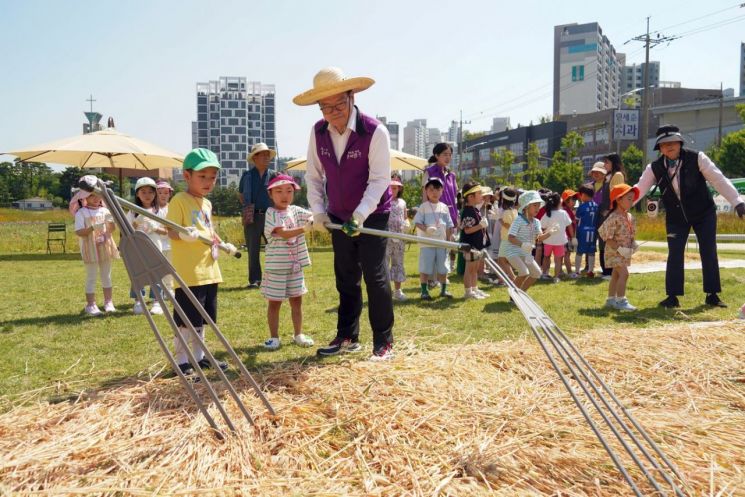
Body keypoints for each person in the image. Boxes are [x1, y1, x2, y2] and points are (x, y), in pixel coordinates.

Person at [295, 66, 395, 361]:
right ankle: (348, 336)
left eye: (339, 104)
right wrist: (318, 212)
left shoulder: (374, 131)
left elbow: (379, 180)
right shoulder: (317, 132)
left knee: (375, 277)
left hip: (372, 213)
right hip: (338, 214)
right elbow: (313, 177)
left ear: (351, 97)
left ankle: (383, 341)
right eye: (326, 107)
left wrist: (361, 215)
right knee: (345, 277)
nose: (333, 111)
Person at [634, 124, 745, 308]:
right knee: (675, 253)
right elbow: (639, 189)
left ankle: (712, 294)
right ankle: (672, 296)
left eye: (673, 142)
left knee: (708, 251)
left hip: (704, 213)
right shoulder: (654, 167)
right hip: (676, 217)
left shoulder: (698, 158)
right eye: (665, 143)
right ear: (660, 148)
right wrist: (619, 206)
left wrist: (738, 202)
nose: (670, 146)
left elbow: (719, 180)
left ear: (680, 142)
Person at [166, 148, 236, 375]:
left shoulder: (206, 204)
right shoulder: (179, 200)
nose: (208, 182)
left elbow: (209, 233)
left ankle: (199, 356)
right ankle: (182, 360)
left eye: (212, 177)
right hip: (189, 272)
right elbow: (171, 231)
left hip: (209, 269)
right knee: (186, 319)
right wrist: (184, 234)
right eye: (202, 176)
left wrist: (224, 244)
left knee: (203, 318)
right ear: (187, 176)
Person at [261, 174, 315, 350]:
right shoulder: (271, 213)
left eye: (289, 191)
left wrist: (315, 219)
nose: (284, 195)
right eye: (279, 191)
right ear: (270, 194)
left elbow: (313, 216)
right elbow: (283, 233)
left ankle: (298, 334)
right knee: (275, 302)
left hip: (295, 266)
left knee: (297, 301)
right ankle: (274, 337)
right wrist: (304, 229)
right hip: (277, 267)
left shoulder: (296, 211)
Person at [72, 184, 118, 316]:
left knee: (106, 275)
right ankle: (90, 304)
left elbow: (111, 229)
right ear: (84, 197)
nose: (96, 198)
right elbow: (79, 232)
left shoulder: (105, 211)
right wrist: (92, 228)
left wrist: (111, 224)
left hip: (104, 245)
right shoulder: (81, 213)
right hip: (89, 247)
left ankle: (108, 302)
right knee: (91, 276)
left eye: (98, 195)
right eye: (92, 195)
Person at [238, 142, 279, 289]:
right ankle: (255, 280)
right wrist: (249, 208)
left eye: (268, 155)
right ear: (255, 158)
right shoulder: (247, 175)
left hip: (270, 216)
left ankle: (273, 278)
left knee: (274, 248)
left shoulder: (275, 175)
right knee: (252, 250)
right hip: (252, 217)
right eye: (263, 155)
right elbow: (241, 194)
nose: (267, 158)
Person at [127, 177, 168, 315]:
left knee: (156, 274)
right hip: (138, 249)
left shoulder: (159, 211)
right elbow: (126, 231)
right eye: (143, 192)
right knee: (138, 274)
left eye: (151, 192)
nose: (147, 195)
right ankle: (139, 301)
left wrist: (155, 228)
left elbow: (166, 231)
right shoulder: (132, 211)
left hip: (155, 247)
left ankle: (157, 301)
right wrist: (134, 228)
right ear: (137, 194)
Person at [598, 184, 640, 311]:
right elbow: (607, 237)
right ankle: (621, 300)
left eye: (633, 199)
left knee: (616, 275)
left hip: (625, 253)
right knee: (624, 274)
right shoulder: (613, 217)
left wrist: (633, 245)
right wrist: (620, 249)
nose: (632, 202)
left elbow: (631, 234)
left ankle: (611, 300)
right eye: (629, 198)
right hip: (614, 253)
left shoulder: (629, 217)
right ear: (618, 199)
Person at [422, 143, 459, 286]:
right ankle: (431, 278)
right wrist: (426, 214)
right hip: (433, 213)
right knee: (432, 246)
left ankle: (441, 276)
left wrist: (457, 216)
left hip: (450, 215)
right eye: (445, 154)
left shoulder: (451, 175)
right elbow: (424, 195)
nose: (448, 157)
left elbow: (454, 197)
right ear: (436, 155)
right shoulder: (429, 172)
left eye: (450, 155)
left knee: (446, 247)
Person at [504, 190, 555, 291]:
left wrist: (550, 232)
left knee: (537, 273)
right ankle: (513, 295)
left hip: (526, 254)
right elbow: (510, 237)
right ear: (526, 206)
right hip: (513, 252)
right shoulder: (518, 220)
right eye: (535, 205)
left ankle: (521, 294)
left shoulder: (536, 222)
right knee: (524, 272)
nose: (538, 208)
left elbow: (539, 238)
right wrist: (522, 245)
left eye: (539, 205)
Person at [414, 177, 454, 300]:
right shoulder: (423, 207)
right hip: (427, 243)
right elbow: (417, 222)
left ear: (442, 191)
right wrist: (426, 229)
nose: (434, 192)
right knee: (425, 267)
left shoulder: (444, 207)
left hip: (442, 243)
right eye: (431, 189)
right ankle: (424, 291)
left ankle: (443, 290)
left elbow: (449, 225)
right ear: (426, 191)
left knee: (443, 267)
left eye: (437, 189)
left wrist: (449, 240)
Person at [460, 180, 491, 300]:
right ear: (471, 197)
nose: (481, 196)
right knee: (470, 269)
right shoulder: (468, 211)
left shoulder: (475, 209)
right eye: (479, 193)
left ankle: (474, 288)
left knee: (475, 268)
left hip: (477, 245)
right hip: (470, 245)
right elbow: (467, 230)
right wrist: (480, 226)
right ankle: (468, 292)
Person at [539, 192, 574, 283]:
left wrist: (542, 235)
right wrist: (573, 237)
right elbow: (569, 226)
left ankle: (544, 274)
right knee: (558, 260)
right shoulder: (563, 213)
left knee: (546, 257)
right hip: (560, 241)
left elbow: (541, 227)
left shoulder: (547, 214)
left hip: (548, 241)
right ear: (559, 202)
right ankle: (556, 277)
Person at [387, 174, 409, 301]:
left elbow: (405, 217)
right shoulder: (383, 203)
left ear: (399, 189)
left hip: (399, 237)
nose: (392, 190)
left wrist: (407, 224)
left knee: (398, 262)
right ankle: (385, 290)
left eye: (395, 188)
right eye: (390, 188)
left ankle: (398, 291)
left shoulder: (402, 202)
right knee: (385, 262)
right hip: (386, 237)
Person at [574, 185, 600, 277]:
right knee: (591, 251)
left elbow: (576, 220)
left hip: (583, 232)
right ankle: (590, 271)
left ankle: (577, 271)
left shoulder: (581, 207)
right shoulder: (597, 206)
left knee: (580, 251)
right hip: (593, 231)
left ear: (584, 195)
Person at [496, 187, 519, 282]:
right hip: (510, 239)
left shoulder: (506, 212)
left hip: (506, 239)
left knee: (501, 260)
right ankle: (503, 279)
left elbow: (508, 225)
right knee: (504, 260)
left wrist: (498, 218)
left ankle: (512, 278)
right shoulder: (514, 210)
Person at [155, 179, 174, 294]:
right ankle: (159, 289)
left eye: (166, 193)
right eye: (160, 192)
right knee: (158, 267)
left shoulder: (172, 208)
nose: (163, 195)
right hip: (157, 243)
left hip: (170, 242)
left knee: (170, 266)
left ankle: (169, 288)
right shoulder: (152, 209)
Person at [560, 189, 579, 277]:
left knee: (560, 255)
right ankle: (570, 272)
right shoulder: (567, 211)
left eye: (576, 199)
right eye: (573, 199)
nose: (575, 201)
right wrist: (573, 237)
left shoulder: (565, 210)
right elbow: (569, 225)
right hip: (567, 237)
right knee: (567, 255)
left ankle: (559, 270)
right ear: (566, 200)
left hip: (562, 237)